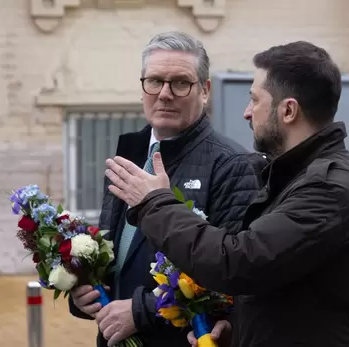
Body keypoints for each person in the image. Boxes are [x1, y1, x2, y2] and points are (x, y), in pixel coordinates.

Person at [104, 40, 349, 347]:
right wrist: (236, 331)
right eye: (154, 81)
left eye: (255, 100)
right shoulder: (294, 176)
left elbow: (236, 263)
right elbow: (276, 286)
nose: (247, 113)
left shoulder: (328, 189)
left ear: (288, 110)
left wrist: (154, 203)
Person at [67, 31, 266, 347]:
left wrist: (140, 311)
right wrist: (84, 291)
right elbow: (115, 254)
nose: (164, 94)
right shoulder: (128, 153)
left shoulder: (234, 165)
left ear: (205, 90)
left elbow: (231, 276)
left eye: (181, 83)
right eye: (155, 81)